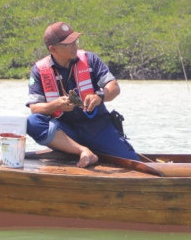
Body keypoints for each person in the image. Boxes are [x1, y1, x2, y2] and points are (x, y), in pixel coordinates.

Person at [26, 21, 139, 167]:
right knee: (32, 122)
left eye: (75, 41)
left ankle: (93, 150)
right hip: (66, 132)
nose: (75, 45)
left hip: (98, 128)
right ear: (53, 49)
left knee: (133, 162)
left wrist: (100, 97)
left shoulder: (90, 60)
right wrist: (56, 105)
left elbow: (114, 87)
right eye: (68, 43)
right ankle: (83, 150)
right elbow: (35, 108)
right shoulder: (39, 70)